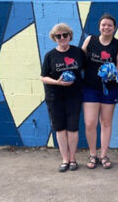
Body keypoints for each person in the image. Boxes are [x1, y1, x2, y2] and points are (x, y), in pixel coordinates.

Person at [81, 14, 118, 169]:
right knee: (90, 123)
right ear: (99, 26)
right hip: (90, 88)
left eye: (109, 25)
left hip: (109, 89)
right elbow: (80, 59)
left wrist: (112, 71)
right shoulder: (90, 40)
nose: (106, 28)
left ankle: (104, 155)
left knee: (106, 122)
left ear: (114, 28)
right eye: (103, 25)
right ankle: (93, 154)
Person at [41, 23, 85, 172]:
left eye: (65, 35)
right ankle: (64, 159)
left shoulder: (78, 53)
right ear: (54, 38)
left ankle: (73, 159)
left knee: (72, 128)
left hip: (74, 96)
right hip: (55, 96)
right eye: (58, 36)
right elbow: (43, 77)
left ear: (70, 36)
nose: (62, 38)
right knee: (60, 128)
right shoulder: (50, 56)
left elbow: (87, 69)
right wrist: (58, 82)